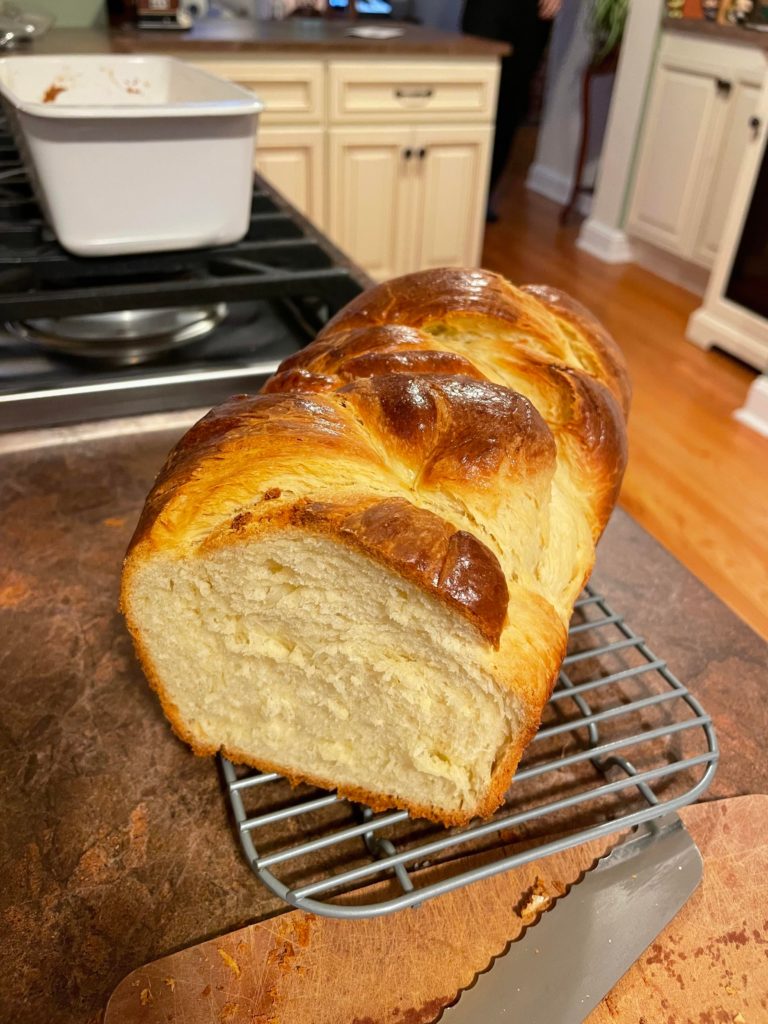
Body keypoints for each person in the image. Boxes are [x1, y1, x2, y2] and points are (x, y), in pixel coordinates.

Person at [462, 0, 562, 220]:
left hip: (531, 13)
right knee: (475, 90)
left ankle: (481, 196)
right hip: (488, 8)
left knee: (510, 103)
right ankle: (456, 193)